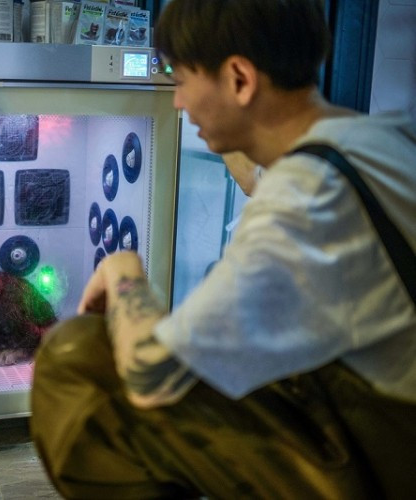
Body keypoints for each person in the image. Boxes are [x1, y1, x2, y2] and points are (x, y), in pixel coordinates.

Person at [30, 0, 416, 498]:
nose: (177, 102)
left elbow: (150, 370)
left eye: (182, 80)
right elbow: (260, 178)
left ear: (239, 79)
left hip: (383, 463)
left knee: (75, 358)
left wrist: (123, 269)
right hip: (375, 413)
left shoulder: (302, 199)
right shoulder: (374, 138)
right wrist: (239, 131)